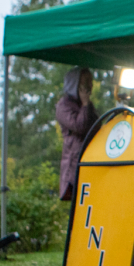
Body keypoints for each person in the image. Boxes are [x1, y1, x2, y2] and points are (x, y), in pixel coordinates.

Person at [56, 67, 97, 201]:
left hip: (90, 161)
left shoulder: (88, 106)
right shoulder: (64, 106)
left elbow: (97, 127)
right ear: (75, 84)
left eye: (90, 82)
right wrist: (85, 105)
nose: (90, 86)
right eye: (86, 82)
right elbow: (79, 126)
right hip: (74, 168)